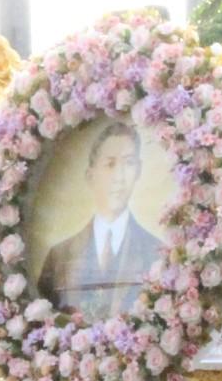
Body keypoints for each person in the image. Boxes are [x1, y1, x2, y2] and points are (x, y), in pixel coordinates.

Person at [38, 124, 162, 323]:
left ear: (138, 171)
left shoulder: (157, 253)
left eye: (129, 163)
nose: (119, 177)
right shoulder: (59, 256)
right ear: (91, 175)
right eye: (110, 164)